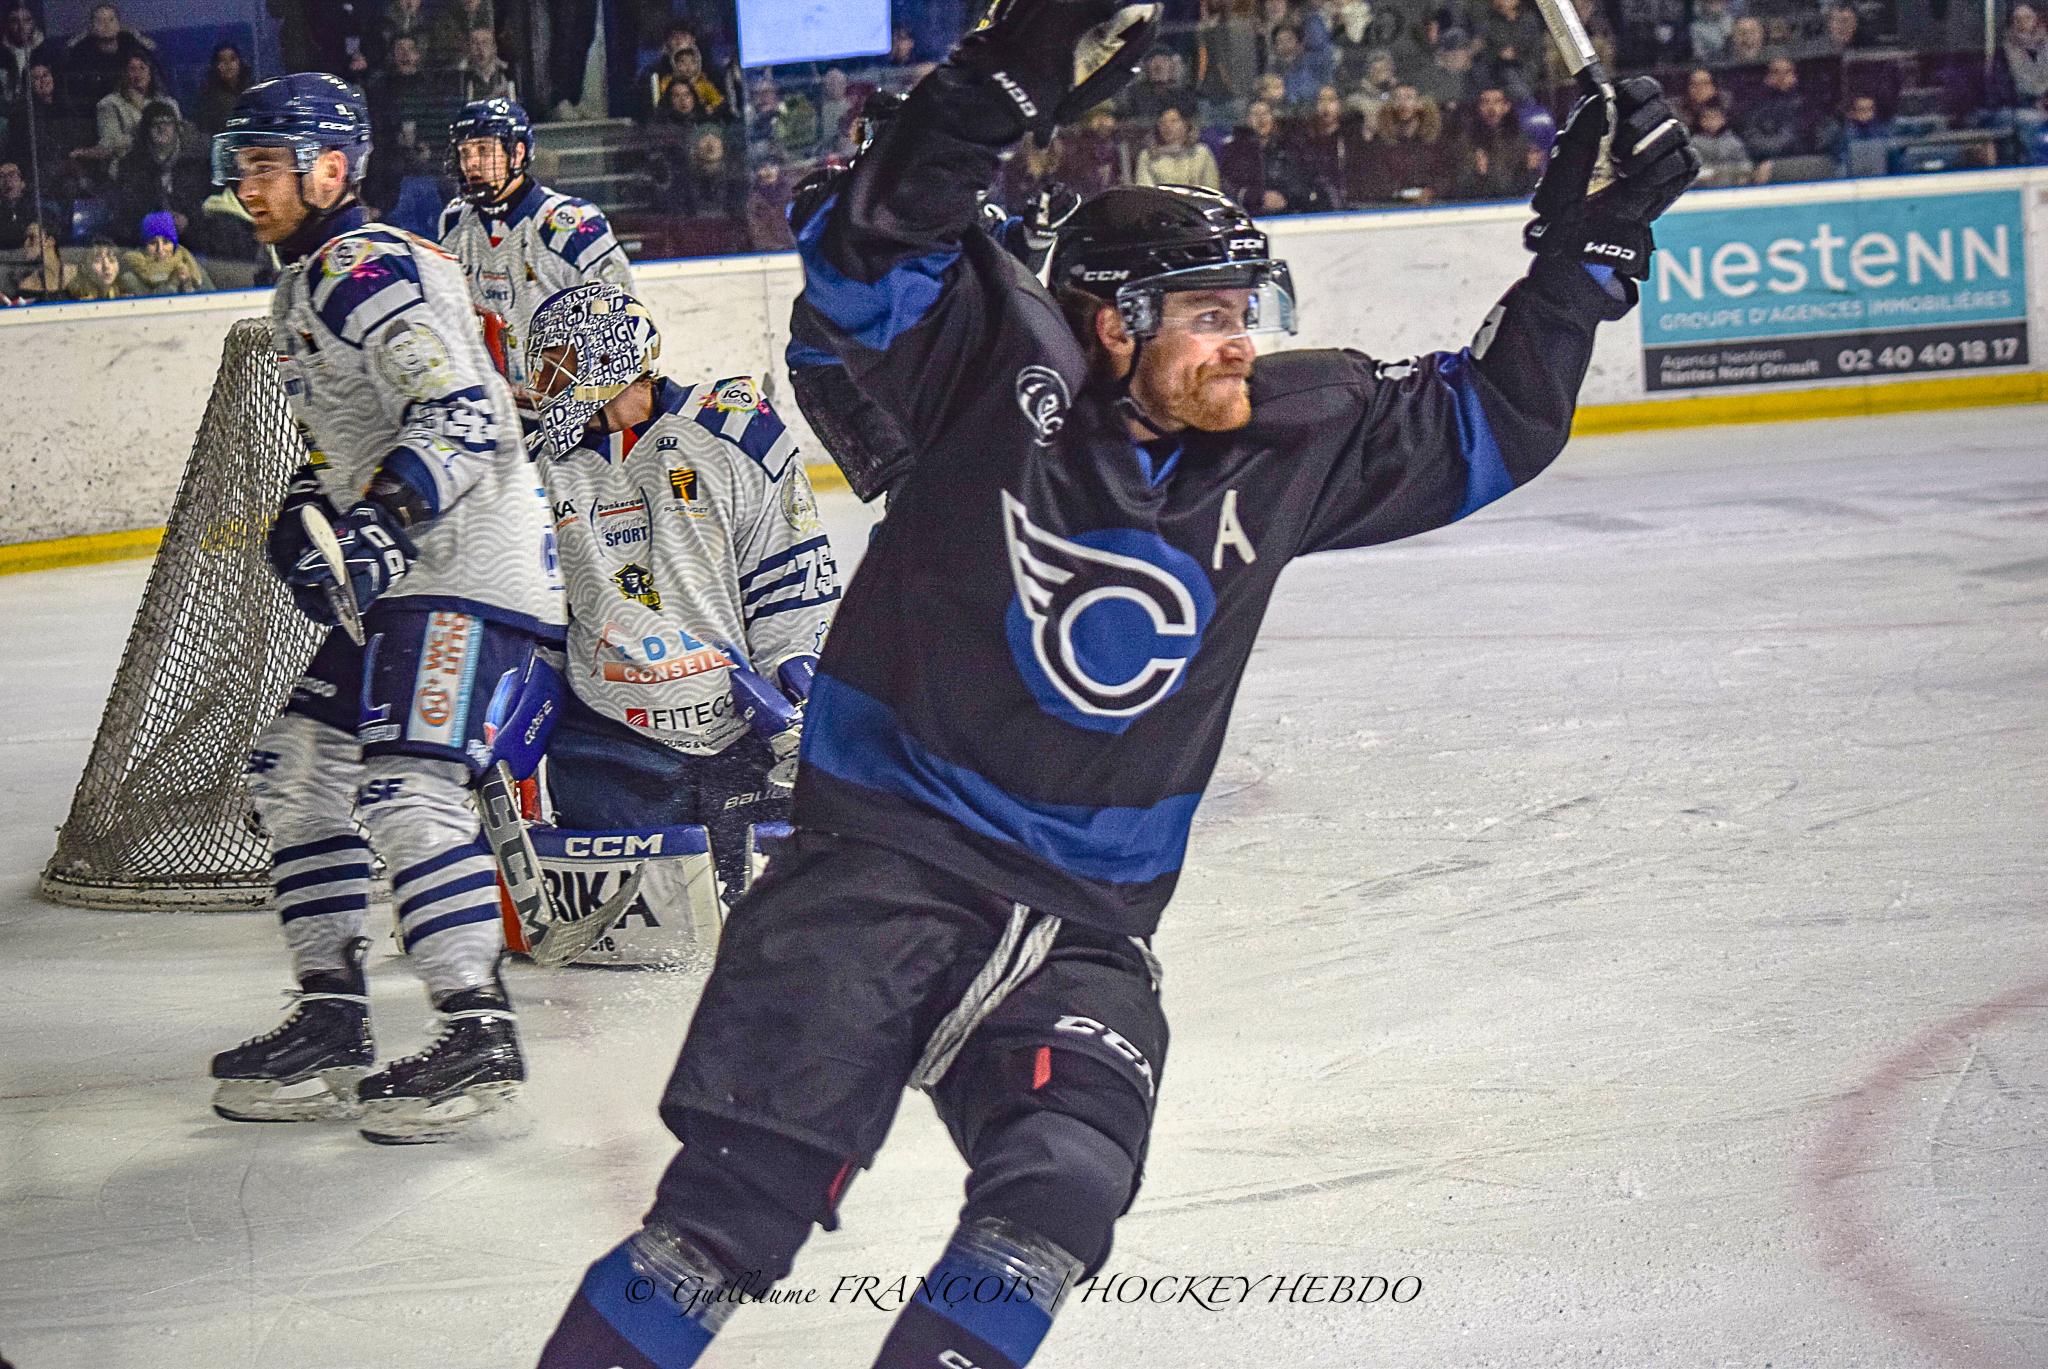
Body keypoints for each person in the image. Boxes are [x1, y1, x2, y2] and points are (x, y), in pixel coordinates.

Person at [535, 2, 1697, 1364]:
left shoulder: (1287, 440)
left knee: (1057, 1196)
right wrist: (1009, 68)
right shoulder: (986, 376)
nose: (1240, 344)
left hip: (1082, 924)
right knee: (722, 1229)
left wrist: (1585, 253)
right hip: (878, 876)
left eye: (1245, 313)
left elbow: (1492, 420)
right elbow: (871, 248)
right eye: (1207, 318)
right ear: (1111, 321)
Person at [205, 72, 563, 1145]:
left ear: (330, 168)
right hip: (415, 571)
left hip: (468, 568)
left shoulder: (365, 268)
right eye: (242, 165)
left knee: (409, 787)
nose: (247, 185)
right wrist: (312, 505)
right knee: (295, 771)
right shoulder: (311, 281)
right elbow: (363, 437)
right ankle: (331, 1016)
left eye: (267, 165)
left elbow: (460, 413)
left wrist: (382, 519)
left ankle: (477, 1029)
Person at [522, 281, 840, 906]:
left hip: (741, 735)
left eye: (556, 363)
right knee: (637, 933)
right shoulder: (539, 468)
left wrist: (796, 696)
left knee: (768, 915)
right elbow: (542, 617)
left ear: (608, 355)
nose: (541, 384)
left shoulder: (734, 428)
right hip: (606, 743)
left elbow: (790, 576)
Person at [436, 98, 630, 391]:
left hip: (566, 406)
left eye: (484, 150)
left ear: (517, 153)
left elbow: (621, 322)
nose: (471, 163)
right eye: (465, 152)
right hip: (494, 407)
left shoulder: (574, 225)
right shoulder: (453, 224)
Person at [117, 211, 212, 292]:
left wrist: (187, 285)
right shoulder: (131, 278)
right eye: (153, 243)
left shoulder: (193, 268)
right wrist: (172, 283)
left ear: (174, 245)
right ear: (144, 247)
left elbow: (211, 299)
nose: (160, 249)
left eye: (166, 242)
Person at [196, 43, 254, 135]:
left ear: (240, 62)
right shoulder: (209, 99)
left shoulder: (253, 91)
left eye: (232, 59)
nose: (228, 64)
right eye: (222, 60)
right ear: (216, 66)